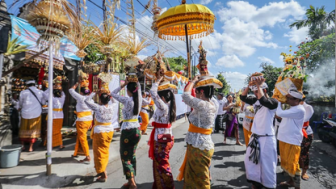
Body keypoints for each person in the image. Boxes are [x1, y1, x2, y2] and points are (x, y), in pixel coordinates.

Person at [177, 75, 221, 189]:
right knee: (194, 179)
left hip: (199, 146)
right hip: (198, 145)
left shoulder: (204, 104)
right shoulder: (212, 103)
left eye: (196, 92)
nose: (194, 95)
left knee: (201, 181)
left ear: (201, 92)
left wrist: (193, 81)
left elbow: (185, 95)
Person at [240, 77, 278, 189]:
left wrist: (259, 86)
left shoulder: (274, 102)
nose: (255, 94)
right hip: (255, 137)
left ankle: (268, 185)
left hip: (267, 138)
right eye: (254, 92)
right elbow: (242, 97)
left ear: (264, 90)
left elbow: (264, 101)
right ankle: (255, 184)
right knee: (251, 163)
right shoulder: (255, 101)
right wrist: (249, 85)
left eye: (257, 91)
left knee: (267, 166)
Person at [111, 78, 142, 189]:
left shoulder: (127, 100)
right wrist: (136, 82)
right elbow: (139, 89)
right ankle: (131, 180)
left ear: (128, 90)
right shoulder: (140, 99)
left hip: (128, 130)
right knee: (132, 155)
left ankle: (132, 182)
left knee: (125, 156)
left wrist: (123, 85)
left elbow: (112, 93)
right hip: (137, 129)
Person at [148, 76, 176, 189]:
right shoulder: (170, 106)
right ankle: (159, 185)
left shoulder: (163, 107)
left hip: (161, 139)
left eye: (159, 96)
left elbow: (152, 92)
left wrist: (158, 80)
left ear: (162, 97)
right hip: (166, 137)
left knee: (163, 166)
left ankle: (169, 186)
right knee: (159, 164)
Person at [84, 84, 115, 182]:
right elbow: (114, 101)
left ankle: (103, 173)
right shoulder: (112, 107)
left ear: (100, 100)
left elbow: (86, 100)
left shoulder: (98, 107)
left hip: (100, 131)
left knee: (99, 153)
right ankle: (102, 170)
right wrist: (110, 94)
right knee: (105, 151)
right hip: (109, 131)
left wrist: (94, 93)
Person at [277, 88, 305, 189]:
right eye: (287, 97)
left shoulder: (299, 109)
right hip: (283, 138)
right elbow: (280, 115)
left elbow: (279, 113)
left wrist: (278, 101)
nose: (287, 99)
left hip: (292, 140)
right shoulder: (291, 107)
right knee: (285, 162)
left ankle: (297, 186)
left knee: (293, 163)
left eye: (289, 98)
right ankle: (290, 181)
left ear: (297, 100)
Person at [69, 81, 93, 163]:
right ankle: (76, 152)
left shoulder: (81, 98)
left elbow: (71, 90)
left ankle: (87, 156)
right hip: (88, 120)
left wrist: (76, 84)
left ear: (81, 92)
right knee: (80, 137)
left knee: (82, 138)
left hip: (82, 121)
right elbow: (92, 111)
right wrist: (91, 123)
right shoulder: (91, 99)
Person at [19, 80, 45, 152]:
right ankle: (31, 147)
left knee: (23, 130)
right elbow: (43, 102)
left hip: (25, 113)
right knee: (33, 131)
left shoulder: (23, 92)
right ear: (34, 85)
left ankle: (23, 146)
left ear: (27, 86)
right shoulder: (40, 92)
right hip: (36, 113)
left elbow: (20, 103)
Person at [43, 77, 66, 150]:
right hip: (60, 116)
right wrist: (60, 88)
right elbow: (63, 93)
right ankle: (60, 144)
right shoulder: (62, 98)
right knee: (58, 131)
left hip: (53, 116)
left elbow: (44, 93)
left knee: (51, 130)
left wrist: (51, 88)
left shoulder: (52, 99)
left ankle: (52, 144)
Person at [299, 93, 314, 181]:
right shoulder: (291, 106)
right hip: (294, 133)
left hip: (306, 133)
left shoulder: (308, 108)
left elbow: (302, 120)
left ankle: (304, 171)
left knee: (304, 153)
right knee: (295, 152)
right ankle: (292, 169)